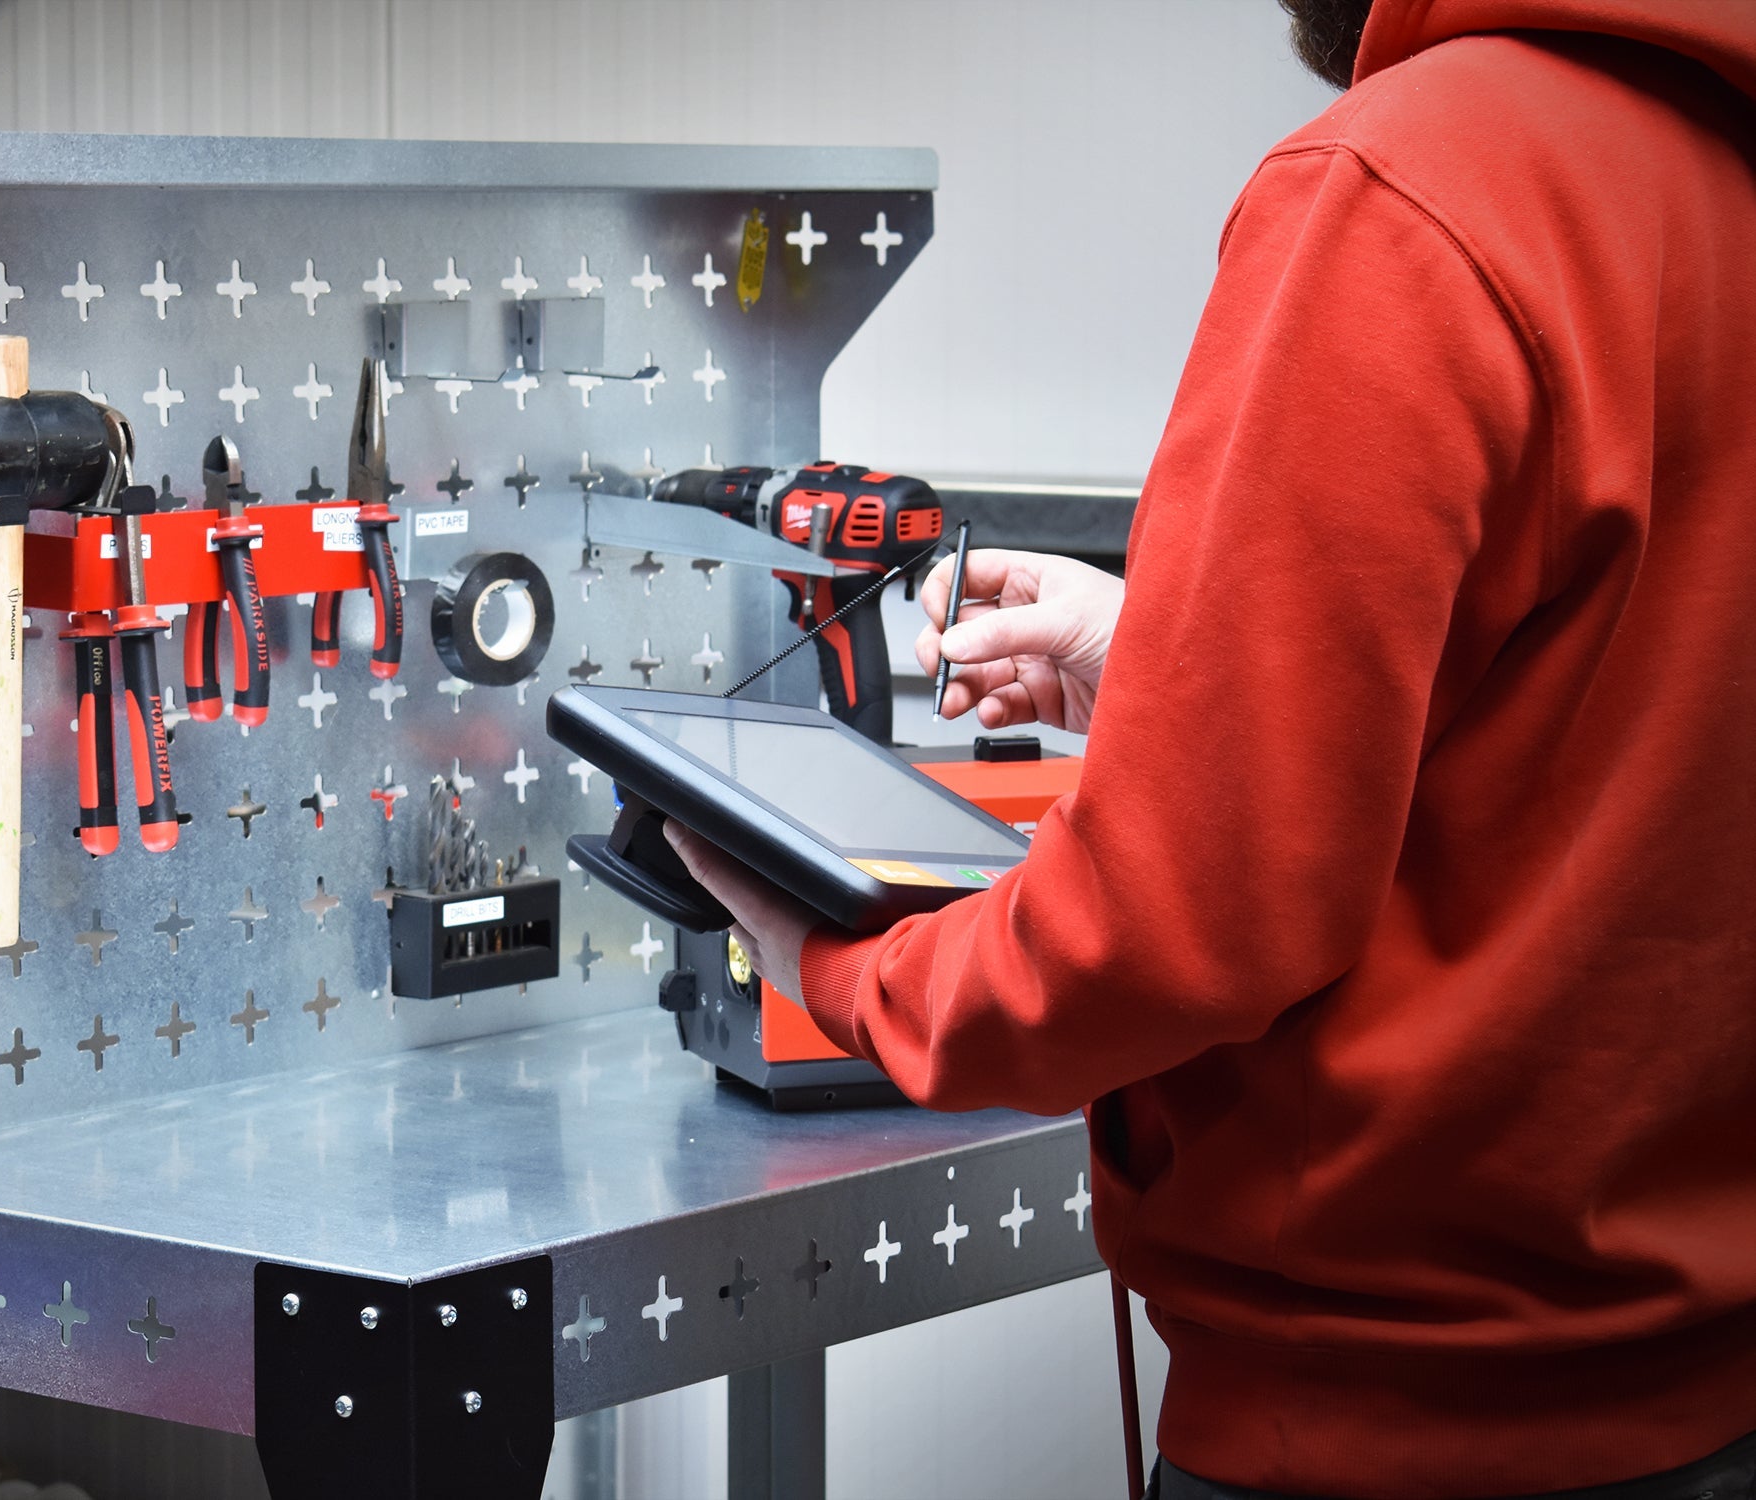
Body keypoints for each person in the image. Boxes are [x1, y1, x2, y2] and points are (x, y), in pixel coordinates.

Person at [666, 1, 1756, 1495]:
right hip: (1700, 1391)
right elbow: (1619, 747)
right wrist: (1178, 668)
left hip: (1388, 1429)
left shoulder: (1409, 189)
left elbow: (1176, 930)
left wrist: (843, 965)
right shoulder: (1712, 172)